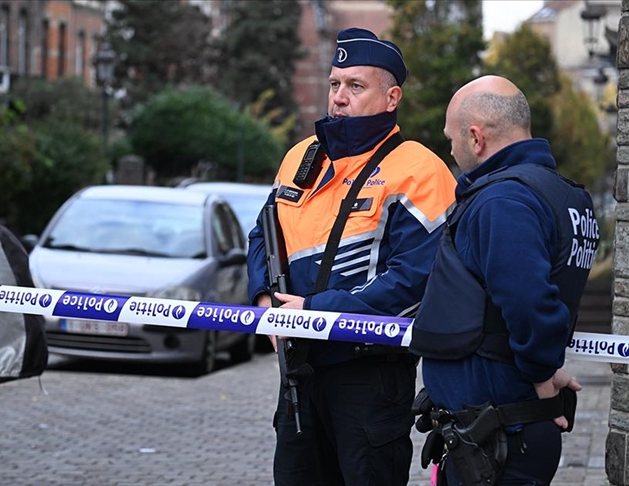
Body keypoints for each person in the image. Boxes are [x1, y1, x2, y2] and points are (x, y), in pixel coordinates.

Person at [246, 28, 456, 486]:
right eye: (334, 83)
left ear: (392, 97)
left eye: (356, 86)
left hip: (368, 375)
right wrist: (264, 300)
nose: (339, 97)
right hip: (299, 369)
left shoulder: (420, 169)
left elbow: (417, 280)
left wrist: (316, 311)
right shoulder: (300, 157)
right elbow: (262, 234)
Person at [409, 75, 598, 485]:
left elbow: (529, 302)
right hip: (501, 427)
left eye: (452, 138)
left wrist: (540, 371)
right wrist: (543, 367)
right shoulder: (563, 195)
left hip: (499, 435)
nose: (451, 149)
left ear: (476, 138)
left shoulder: (503, 200)